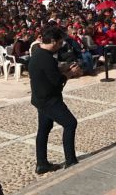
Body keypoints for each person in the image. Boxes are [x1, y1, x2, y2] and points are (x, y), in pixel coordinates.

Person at [29, 25, 82, 175]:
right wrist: (70, 74)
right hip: (49, 100)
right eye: (59, 43)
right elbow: (57, 82)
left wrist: (62, 69)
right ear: (52, 41)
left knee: (44, 129)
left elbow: (47, 74)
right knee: (70, 123)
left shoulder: (38, 53)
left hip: (40, 98)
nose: (60, 46)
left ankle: (42, 164)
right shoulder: (46, 58)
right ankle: (71, 161)